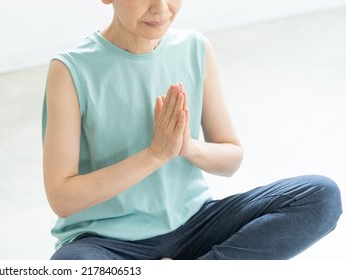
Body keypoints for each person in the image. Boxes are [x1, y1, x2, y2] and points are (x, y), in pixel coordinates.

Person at [41, 0, 342, 260]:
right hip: (107, 243)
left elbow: (230, 159)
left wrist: (187, 147)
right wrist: (155, 155)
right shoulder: (70, 70)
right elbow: (63, 199)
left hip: (197, 225)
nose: (160, 8)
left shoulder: (194, 48)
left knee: (322, 196)